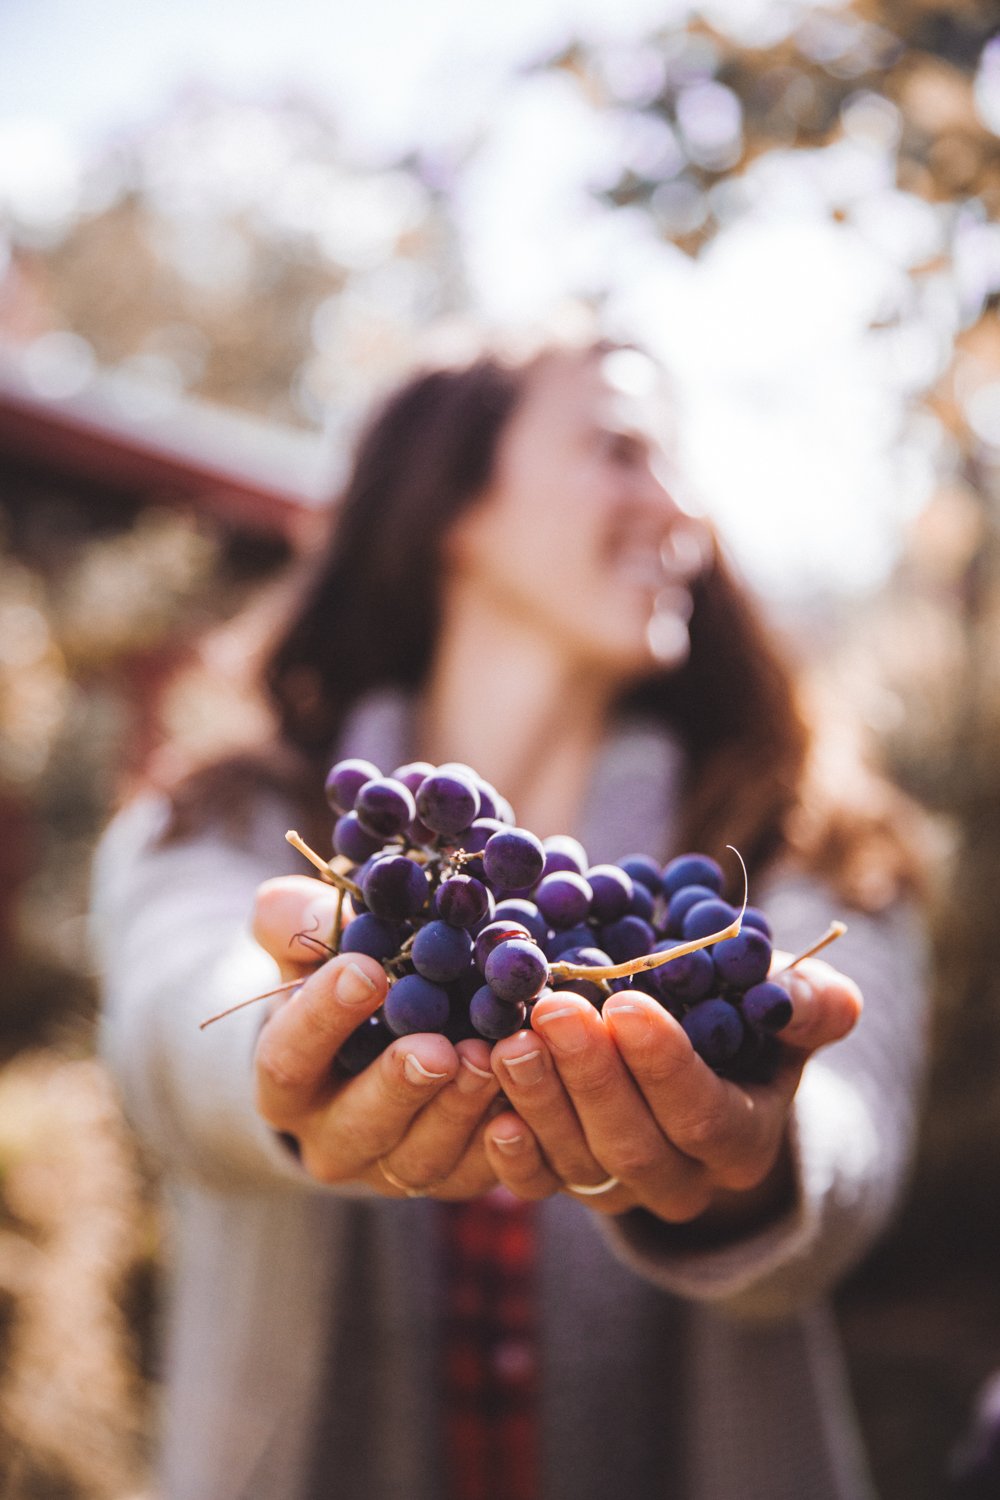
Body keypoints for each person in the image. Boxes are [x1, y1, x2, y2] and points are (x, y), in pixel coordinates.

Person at [91, 333, 929, 1500]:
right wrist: (285, 1057)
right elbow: (159, 1031)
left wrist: (755, 1159)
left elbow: (851, 1134)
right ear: (449, 507)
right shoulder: (225, 811)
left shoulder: (803, 833)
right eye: (622, 449)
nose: (683, 507)